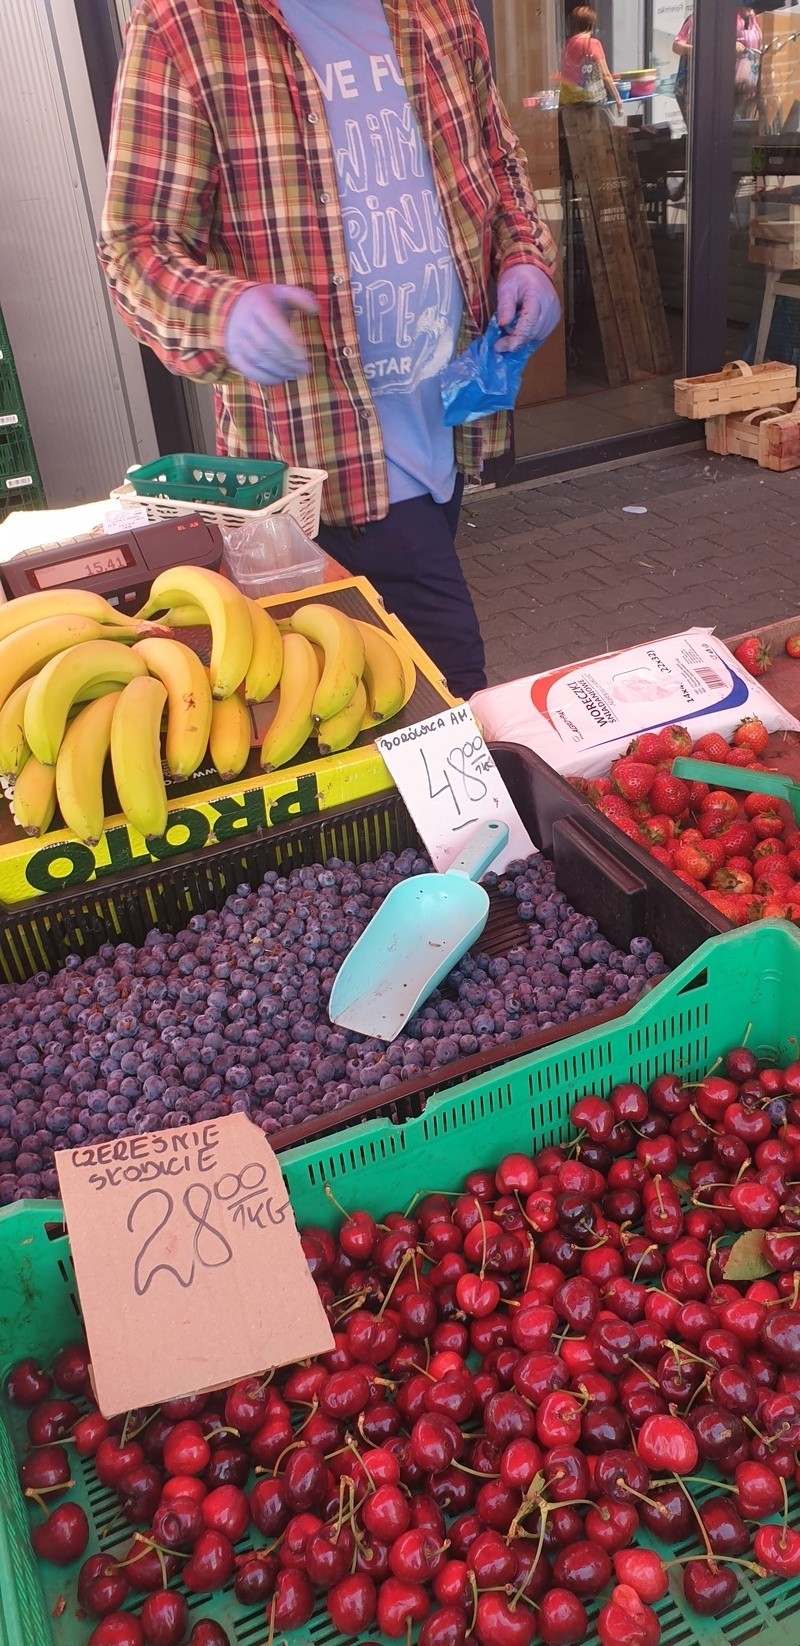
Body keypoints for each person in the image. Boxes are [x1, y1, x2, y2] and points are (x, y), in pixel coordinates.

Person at [98, 0, 560, 700]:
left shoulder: (440, 10)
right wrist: (222, 311)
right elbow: (138, 243)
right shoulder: (185, 26)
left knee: (377, 699)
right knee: (449, 688)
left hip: (446, 426)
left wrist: (526, 255)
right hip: (320, 458)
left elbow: (498, 159)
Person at [673, 8, 763, 125]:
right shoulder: (705, 16)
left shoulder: (750, 15)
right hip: (715, 90)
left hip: (746, 89)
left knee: (741, 132)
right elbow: (677, 46)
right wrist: (722, 47)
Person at [559, 7, 623, 110]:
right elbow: (605, 74)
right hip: (589, 103)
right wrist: (618, 99)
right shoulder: (592, 44)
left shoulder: (568, 44)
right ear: (591, 24)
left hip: (569, 102)